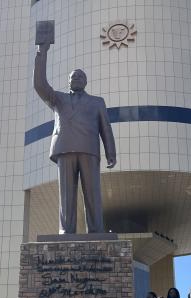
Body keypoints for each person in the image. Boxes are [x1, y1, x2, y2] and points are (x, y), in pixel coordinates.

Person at [34, 40, 117, 234]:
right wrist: (41, 52)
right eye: (73, 76)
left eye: (80, 76)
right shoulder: (58, 99)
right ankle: (66, 231)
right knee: (66, 195)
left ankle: (96, 230)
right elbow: (40, 85)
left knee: (92, 194)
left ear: (86, 82)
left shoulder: (97, 102)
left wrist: (110, 152)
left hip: (89, 149)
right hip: (64, 148)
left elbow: (106, 127)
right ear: (68, 82)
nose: (77, 77)